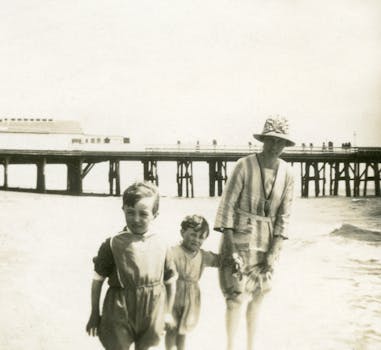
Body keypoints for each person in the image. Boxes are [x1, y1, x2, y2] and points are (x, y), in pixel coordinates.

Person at [214, 116, 295, 350]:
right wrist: (228, 248)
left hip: (267, 242)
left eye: (280, 142)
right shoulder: (244, 165)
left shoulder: (288, 173)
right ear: (264, 140)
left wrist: (274, 251)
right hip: (238, 239)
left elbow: (284, 216)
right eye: (271, 140)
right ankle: (230, 346)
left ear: (285, 144)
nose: (275, 146)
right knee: (234, 298)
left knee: (258, 299)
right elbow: (227, 207)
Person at [86, 181, 177, 350]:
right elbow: (97, 280)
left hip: (153, 306)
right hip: (119, 306)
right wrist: (94, 313)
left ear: (155, 215)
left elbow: (170, 280)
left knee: (146, 346)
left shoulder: (162, 243)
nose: (136, 219)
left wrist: (168, 313)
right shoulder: (112, 243)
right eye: (130, 212)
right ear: (123, 211)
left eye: (143, 214)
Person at [165, 215, 219, 350]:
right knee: (171, 329)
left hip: (192, 297)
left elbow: (218, 260)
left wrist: (233, 260)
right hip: (173, 296)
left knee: (184, 329)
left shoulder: (203, 255)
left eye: (201, 237)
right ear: (182, 232)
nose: (197, 239)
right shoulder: (172, 251)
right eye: (193, 235)